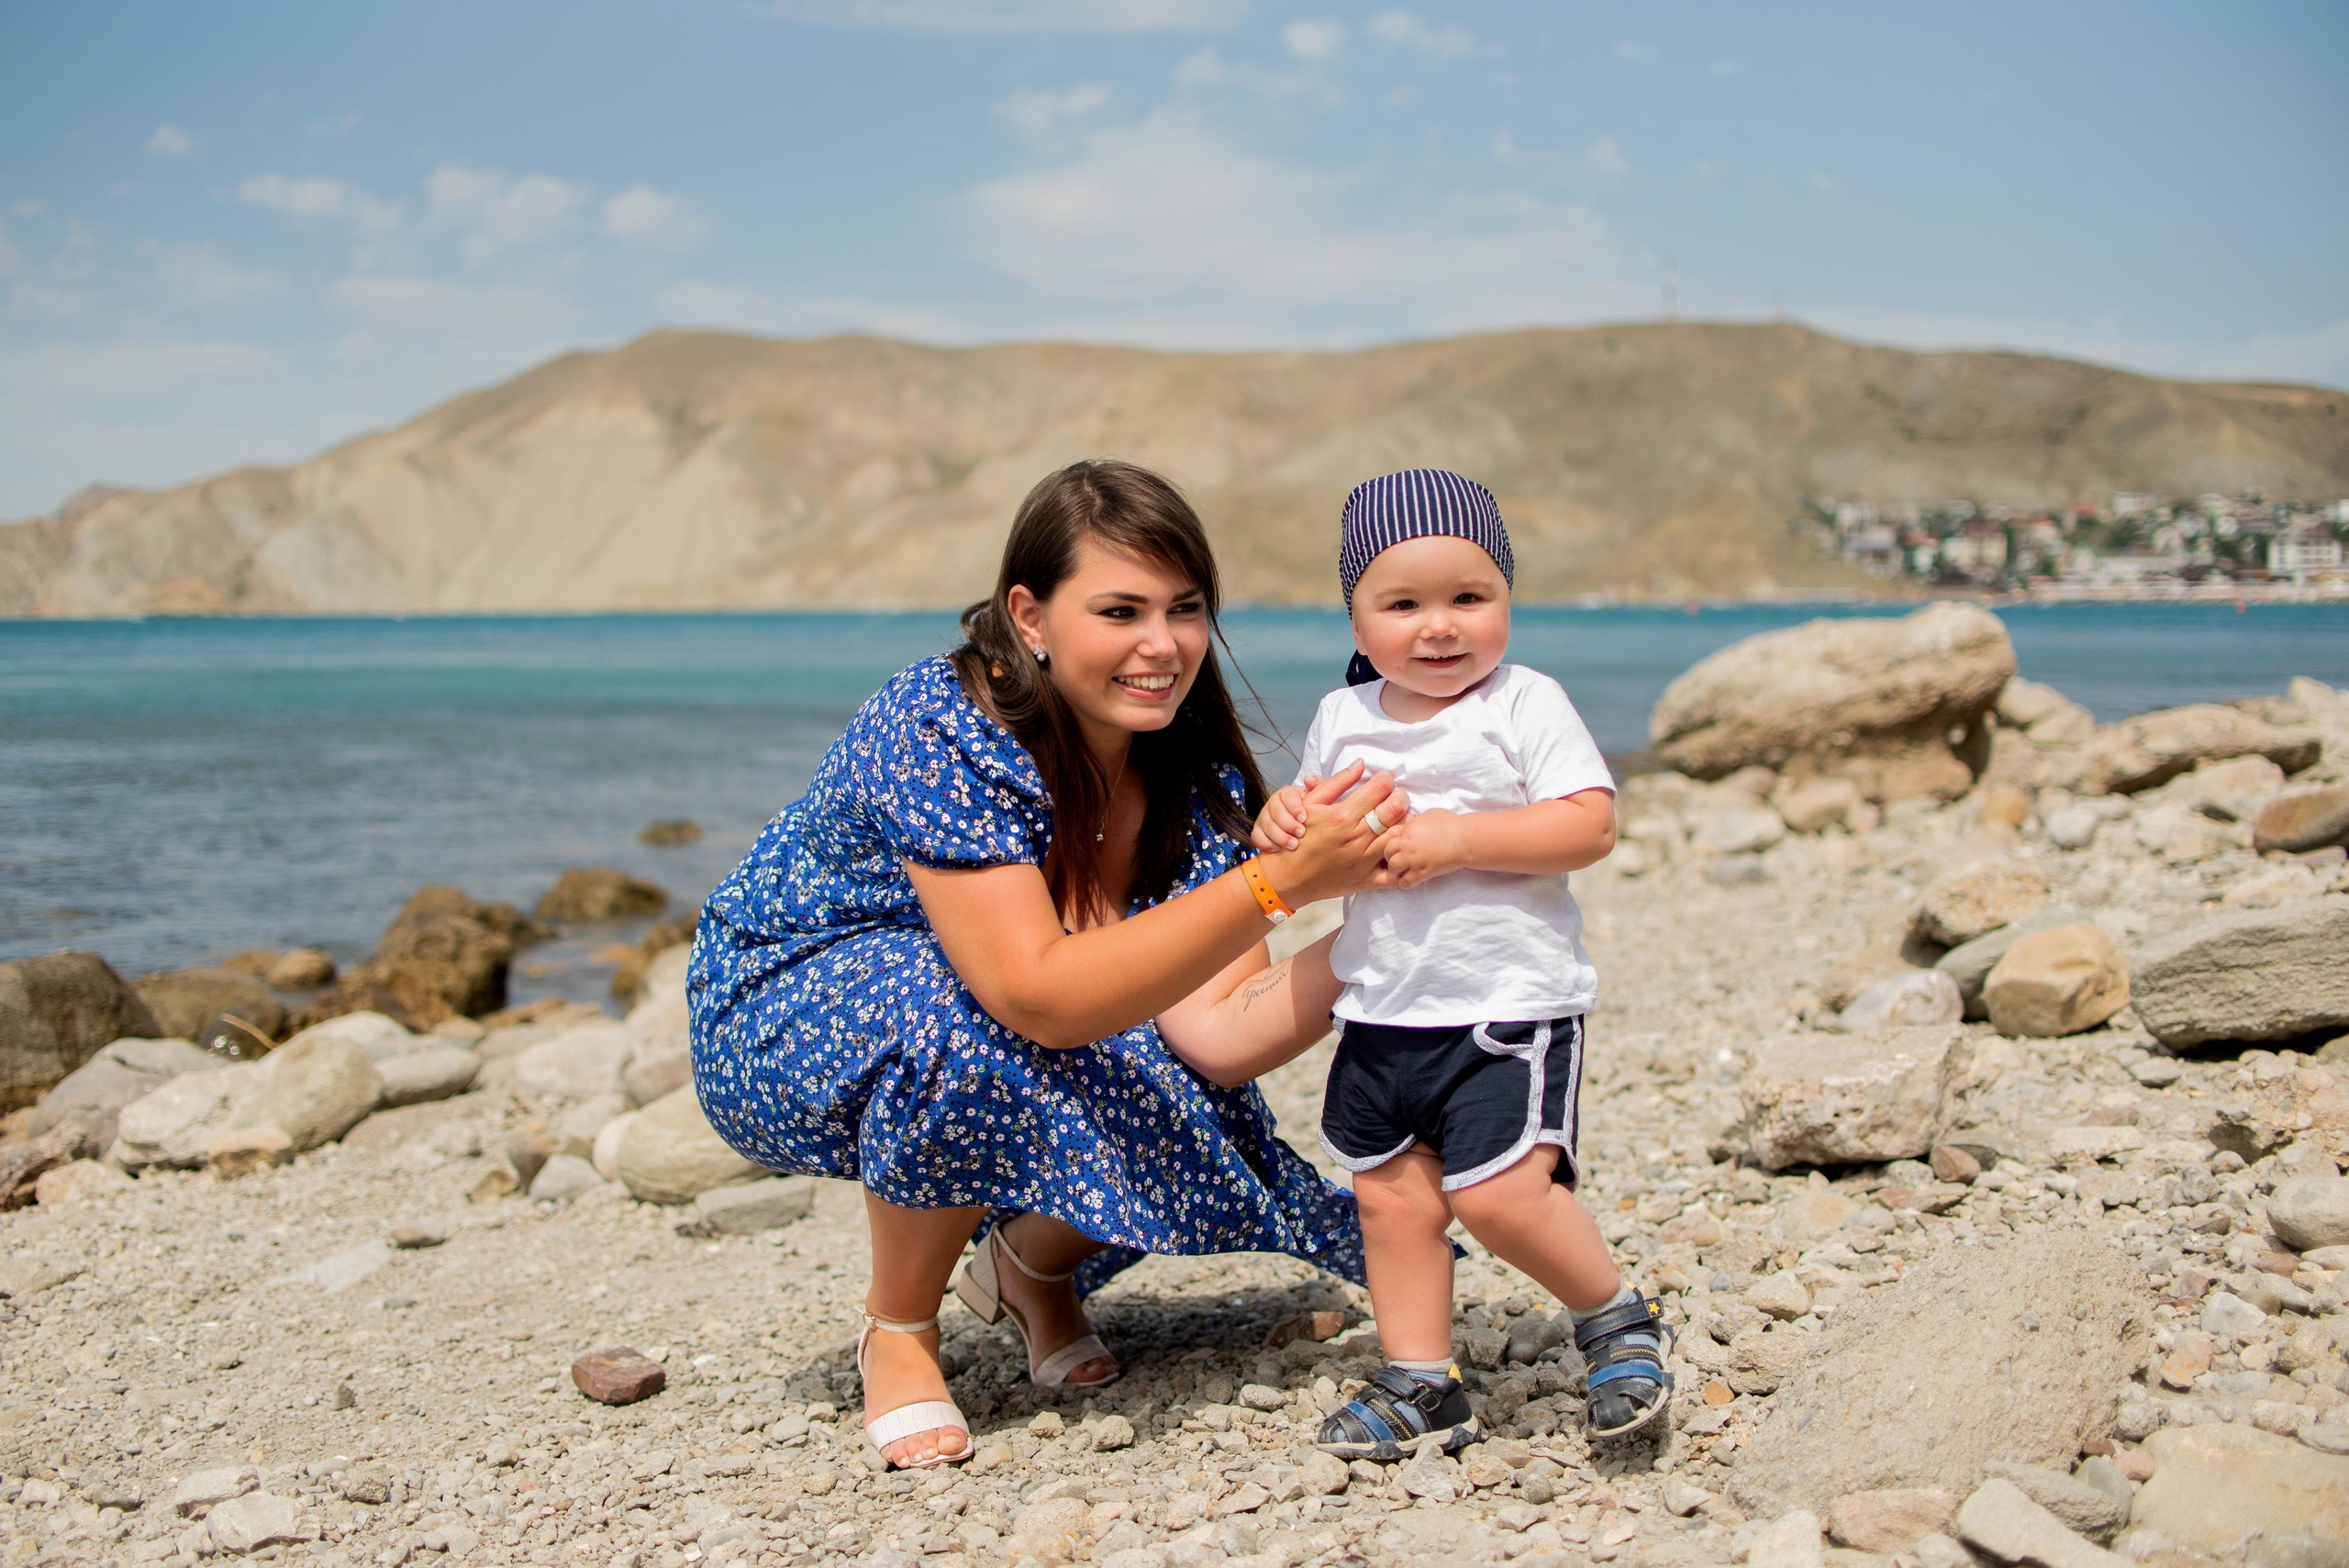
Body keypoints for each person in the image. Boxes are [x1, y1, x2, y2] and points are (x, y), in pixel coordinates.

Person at [687, 460, 1408, 1471]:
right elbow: (1032, 993)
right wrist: (1278, 883)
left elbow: (1219, 1033)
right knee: (962, 1012)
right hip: (785, 1011)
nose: (1163, 645)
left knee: (1197, 1107)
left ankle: (1026, 1265)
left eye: (1185, 608)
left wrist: (1390, 936)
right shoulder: (940, 722)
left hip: (995, 1008)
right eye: (1120, 611)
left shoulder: (1186, 766)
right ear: (1030, 615)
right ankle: (899, 1327)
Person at [1246, 469, 1672, 1459]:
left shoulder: (1523, 701)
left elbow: (1589, 824)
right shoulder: (1342, 713)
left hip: (1505, 1004)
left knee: (1499, 1193)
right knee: (1389, 1197)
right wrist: (1284, 815)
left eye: (1469, 597)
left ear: (1507, 599)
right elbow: (1316, 825)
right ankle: (1420, 1377)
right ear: (1356, 616)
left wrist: (1457, 839)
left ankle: (1614, 1317)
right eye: (1403, 604)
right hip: (1382, 1006)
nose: (1439, 626)